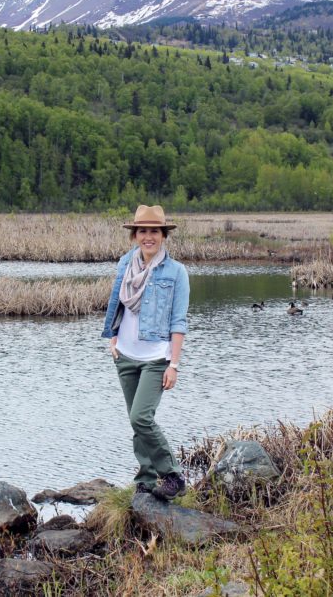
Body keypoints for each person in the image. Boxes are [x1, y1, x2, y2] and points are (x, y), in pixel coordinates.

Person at [101, 204, 189, 500]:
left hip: (156, 358)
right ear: (134, 235)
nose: (148, 237)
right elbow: (117, 304)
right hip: (125, 356)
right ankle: (146, 478)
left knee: (141, 417)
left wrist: (173, 364)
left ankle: (173, 475)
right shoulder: (125, 264)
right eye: (142, 231)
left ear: (163, 235)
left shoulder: (176, 273)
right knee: (136, 422)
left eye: (154, 231)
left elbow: (179, 321)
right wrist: (112, 337)